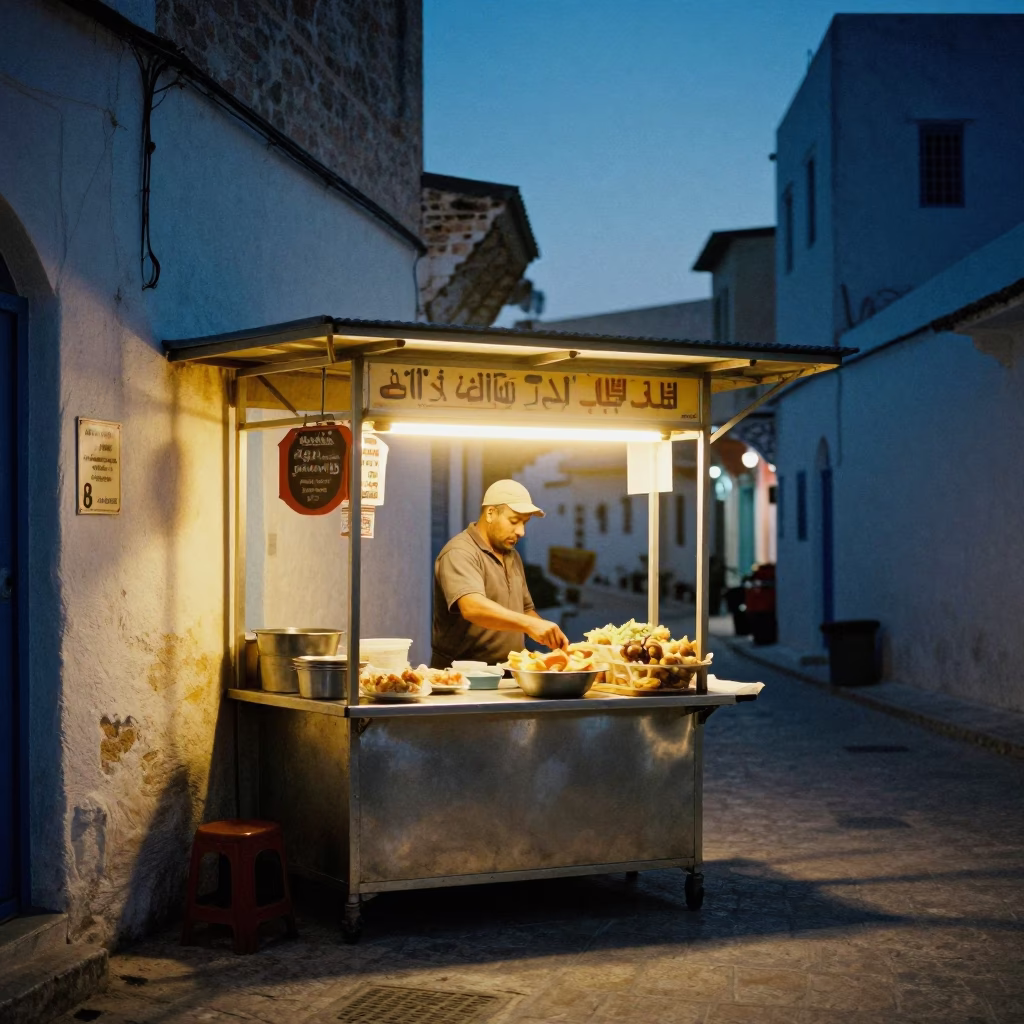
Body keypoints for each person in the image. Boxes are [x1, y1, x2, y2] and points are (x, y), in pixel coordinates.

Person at [431, 479, 569, 668]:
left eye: (525, 523)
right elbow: (472, 607)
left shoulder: (512, 555)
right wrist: (529, 625)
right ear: (490, 513)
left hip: (509, 671)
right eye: (514, 521)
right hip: (465, 676)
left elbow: (525, 610)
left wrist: (549, 634)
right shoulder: (460, 552)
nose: (521, 531)